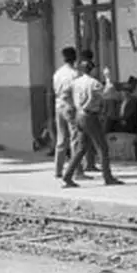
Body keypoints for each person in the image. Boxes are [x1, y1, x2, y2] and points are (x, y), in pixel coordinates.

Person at [61, 59, 123, 188]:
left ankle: (67, 176)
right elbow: (108, 94)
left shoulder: (76, 82)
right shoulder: (94, 83)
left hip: (79, 115)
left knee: (81, 148)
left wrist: (75, 105)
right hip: (90, 116)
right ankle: (108, 177)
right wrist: (108, 78)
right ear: (93, 70)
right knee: (102, 147)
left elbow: (65, 95)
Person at [51, 47, 81, 180]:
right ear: (75, 58)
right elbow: (77, 91)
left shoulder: (57, 73)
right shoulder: (74, 74)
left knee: (61, 139)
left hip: (58, 105)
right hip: (70, 105)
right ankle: (76, 170)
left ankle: (58, 169)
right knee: (75, 139)